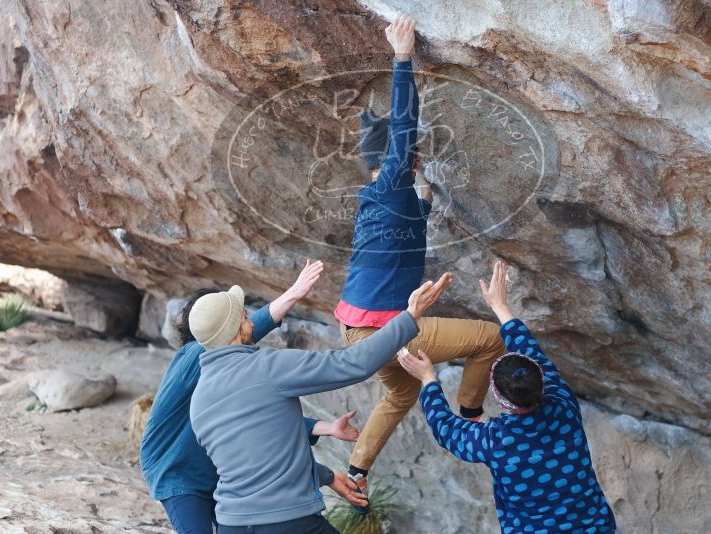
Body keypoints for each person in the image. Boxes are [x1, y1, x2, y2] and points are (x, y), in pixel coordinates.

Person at [335, 11, 505, 510]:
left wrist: (426, 199)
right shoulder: (389, 184)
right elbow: (404, 128)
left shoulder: (384, 197)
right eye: (404, 157)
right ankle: (471, 418)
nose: (411, 157)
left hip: (356, 328)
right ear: (391, 160)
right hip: (384, 330)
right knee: (490, 338)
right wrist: (403, 57)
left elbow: (405, 233)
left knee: (400, 396)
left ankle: (356, 471)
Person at [189, 272, 451, 533]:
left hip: (230, 523)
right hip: (286, 522)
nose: (249, 319)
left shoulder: (198, 401)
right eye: (244, 315)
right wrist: (408, 317)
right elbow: (352, 364)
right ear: (235, 327)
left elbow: (259, 458)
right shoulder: (267, 366)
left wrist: (326, 477)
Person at [140, 260, 365, 533]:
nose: (244, 318)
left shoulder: (228, 373)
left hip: (217, 479)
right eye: (239, 315)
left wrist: (327, 431)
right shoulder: (192, 357)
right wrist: (292, 294)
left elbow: (269, 423)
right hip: (178, 476)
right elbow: (241, 329)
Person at [397, 261, 618, 533]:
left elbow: (446, 430)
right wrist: (500, 307)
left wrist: (428, 378)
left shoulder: (496, 441)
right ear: (540, 380)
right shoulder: (564, 405)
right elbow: (534, 355)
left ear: (500, 399)